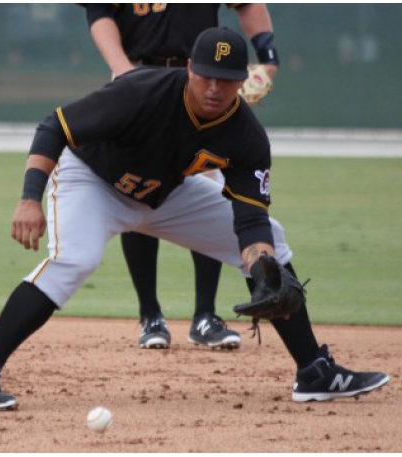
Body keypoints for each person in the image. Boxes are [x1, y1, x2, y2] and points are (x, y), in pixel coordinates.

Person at [0, 28, 390, 411]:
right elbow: (55, 127)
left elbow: (250, 218)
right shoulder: (142, 91)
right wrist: (30, 198)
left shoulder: (247, 135)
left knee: (273, 242)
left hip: (166, 193)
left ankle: (314, 372)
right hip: (93, 181)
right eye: (206, 76)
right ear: (189, 70)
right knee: (74, 261)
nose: (215, 87)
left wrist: (261, 266)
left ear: (243, 82)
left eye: (227, 79)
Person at [84, 3, 280, 350]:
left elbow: (247, 4)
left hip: (205, 82)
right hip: (143, 80)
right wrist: (122, 69)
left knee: (209, 193)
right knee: (137, 189)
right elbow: (99, 12)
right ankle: (150, 315)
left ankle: (205, 315)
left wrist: (268, 57)